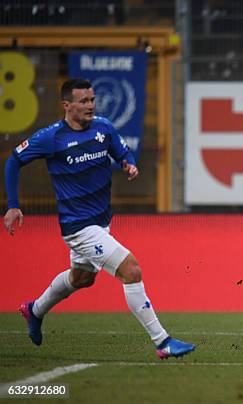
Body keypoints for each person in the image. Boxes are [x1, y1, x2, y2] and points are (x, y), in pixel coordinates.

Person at [3, 78, 195, 359]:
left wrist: (128, 164)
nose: (90, 106)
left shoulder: (103, 128)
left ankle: (34, 310)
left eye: (92, 100)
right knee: (131, 270)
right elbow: (14, 161)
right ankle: (162, 341)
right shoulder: (51, 137)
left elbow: (121, 151)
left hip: (101, 220)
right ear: (67, 105)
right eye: (83, 101)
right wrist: (13, 205)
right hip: (78, 227)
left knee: (81, 278)